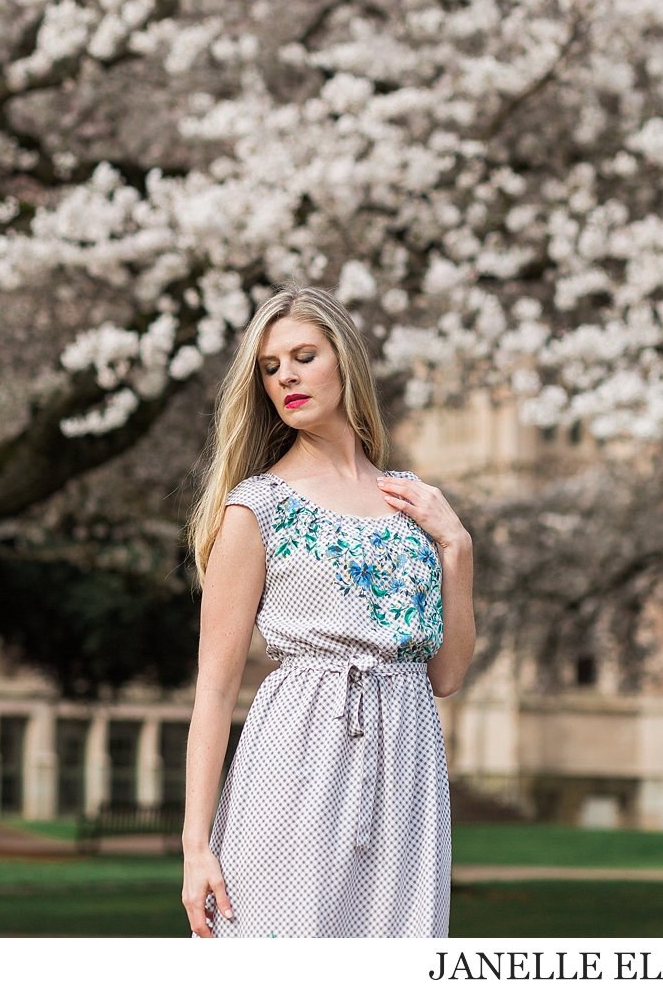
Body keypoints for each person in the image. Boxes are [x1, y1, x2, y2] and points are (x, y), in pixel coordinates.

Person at [182, 284, 475, 939]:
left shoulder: (413, 506)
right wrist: (194, 846)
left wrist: (456, 546)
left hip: (407, 760)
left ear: (343, 361)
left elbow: (446, 675)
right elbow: (215, 686)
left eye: (302, 355)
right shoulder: (256, 507)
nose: (284, 374)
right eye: (269, 366)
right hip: (296, 749)